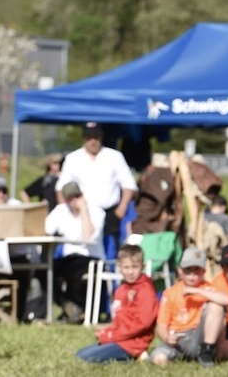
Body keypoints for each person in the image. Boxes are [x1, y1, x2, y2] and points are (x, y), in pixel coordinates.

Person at [56, 121, 137, 254]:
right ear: (84, 138)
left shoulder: (115, 156)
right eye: (89, 137)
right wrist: (66, 210)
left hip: (111, 212)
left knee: (111, 250)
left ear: (101, 137)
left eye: (96, 137)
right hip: (85, 213)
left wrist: (122, 208)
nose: (93, 141)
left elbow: (129, 184)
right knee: (86, 249)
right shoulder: (73, 158)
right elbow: (61, 188)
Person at [76, 244, 157, 363]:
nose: (130, 272)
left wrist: (111, 336)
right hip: (120, 339)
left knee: (86, 358)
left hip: (133, 343)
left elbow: (142, 324)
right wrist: (108, 331)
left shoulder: (145, 290)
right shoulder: (121, 289)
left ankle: (135, 357)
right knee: (79, 354)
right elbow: (119, 320)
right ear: (119, 267)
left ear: (142, 266)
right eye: (126, 267)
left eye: (135, 267)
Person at [150, 246, 228, 367]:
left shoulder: (209, 288)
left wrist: (197, 291)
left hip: (199, 337)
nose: (192, 275)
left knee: (216, 306)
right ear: (180, 270)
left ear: (203, 271)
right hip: (178, 338)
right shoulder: (170, 293)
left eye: (196, 270)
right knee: (158, 358)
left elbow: (227, 300)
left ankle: (206, 352)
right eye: (188, 270)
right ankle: (178, 359)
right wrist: (167, 337)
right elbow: (161, 326)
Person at [45, 182, 106, 324]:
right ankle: (68, 305)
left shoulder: (96, 212)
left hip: (91, 257)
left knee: (74, 271)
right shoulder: (61, 210)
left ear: (82, 195)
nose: (74, 201)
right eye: (70, 198)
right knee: (45, 271)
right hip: (68, 257)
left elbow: (89, 236)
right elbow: (47, 229)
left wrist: (84, 211)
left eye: (76, 196)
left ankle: (80, 309)